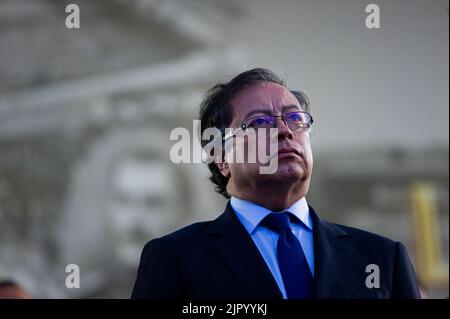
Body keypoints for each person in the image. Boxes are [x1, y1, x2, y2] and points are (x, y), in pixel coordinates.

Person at [131, 68, 421, 299]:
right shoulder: (174, 259)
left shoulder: (383, 258)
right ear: (221, 157)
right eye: (259, 123)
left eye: (295, 119)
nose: (284, 131)